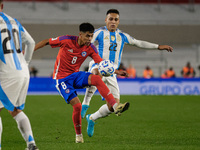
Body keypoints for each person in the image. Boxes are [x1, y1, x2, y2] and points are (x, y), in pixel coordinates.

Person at [81, 9, 173, 137]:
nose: (113, 22)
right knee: (96, 73)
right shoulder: (99, 32)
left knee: (114, 107)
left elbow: (138, 43)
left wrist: (158, 46)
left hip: (112, 72)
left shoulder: (122, 36)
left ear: (118, 21)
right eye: (110, 19)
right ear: (106, 20)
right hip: (97, 65)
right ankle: (85, 103)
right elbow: (87, 41)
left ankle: (92, 118)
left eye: (116, 19)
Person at [34, 23, 129, 143]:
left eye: (91, 36)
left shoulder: (90, 48)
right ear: (80, 35)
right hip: (61, 79)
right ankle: (78, 135)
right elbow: (46, 41)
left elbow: (101, 63)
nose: (90, 39)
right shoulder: (66, 40)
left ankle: (115, 106)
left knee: (96, 79)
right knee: (77, 106)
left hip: (75, 75)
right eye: (87, 36)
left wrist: (117, 71)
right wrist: (29, 52)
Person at [0, 0, 39, 150]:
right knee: (15, 111)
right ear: (2, 6)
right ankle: (31, 144)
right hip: (22, 72)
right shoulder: (14, 21)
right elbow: (31, 42)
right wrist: (26, 63)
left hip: (6, 73)